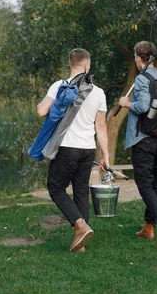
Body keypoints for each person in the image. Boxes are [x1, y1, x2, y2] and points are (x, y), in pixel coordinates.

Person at [37, 48, 110, 252]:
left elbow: (41, 111)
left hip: (67, 148)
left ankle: (80, 225)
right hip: (88, 149)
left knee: (56, 188)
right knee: (80, 192)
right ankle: (80, 244)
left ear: (71, 65)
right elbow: (101, 126)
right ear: (87, 66)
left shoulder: (60, 86)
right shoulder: (98, 92)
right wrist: (106, 155)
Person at [118, 41, 157, 243]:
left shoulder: (142, 79)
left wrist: (127, 103)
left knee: (144, 184)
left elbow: (143, 106)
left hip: (143, 140)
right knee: (154, 184)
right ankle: (148, 228)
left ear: (138, 58)